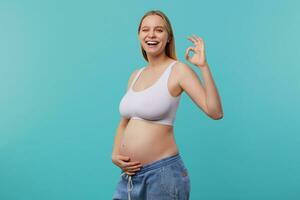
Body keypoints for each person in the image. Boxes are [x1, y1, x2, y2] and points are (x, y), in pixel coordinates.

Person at [111, 10, 223, 200]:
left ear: (168, 37)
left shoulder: (178, 70)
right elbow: (124, 121)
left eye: (159, 30)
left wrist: (203, 67)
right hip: (130, 177)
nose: (151, 35)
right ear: (139, 35)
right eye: (145, 29)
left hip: (163, 175)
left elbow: (215, 112)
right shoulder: (135, 75)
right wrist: (115, 154)